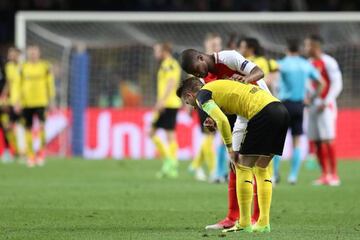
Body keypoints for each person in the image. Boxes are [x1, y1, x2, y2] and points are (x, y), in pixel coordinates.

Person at [177, 78, 289, 233]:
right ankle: (263, 223)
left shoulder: (202, 96)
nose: (194, 108)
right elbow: (231, 110)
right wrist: (215, 120)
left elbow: (223, 121)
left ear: (190, 95)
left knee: (242, 166)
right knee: (262, 168)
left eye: (189, 103)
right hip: (280, 110)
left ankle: (244, 223)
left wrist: (230, 149)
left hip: (262, 112)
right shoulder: (218, 87)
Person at [180, 48, 266, 229]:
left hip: (260, 107)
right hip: (240, 115)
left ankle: (257, 218)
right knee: (234, 165)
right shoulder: (205, 80)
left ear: (200, 57)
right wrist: (212, 121)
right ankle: (232, 217)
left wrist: (245, 80)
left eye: (196, 68)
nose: (198, 73)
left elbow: (259, 72)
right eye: (194, 73)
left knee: (257, 166)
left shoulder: (229, 57)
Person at [274, 39, 324, 184]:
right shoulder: (305, 64)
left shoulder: (282, 64)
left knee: (277, 142)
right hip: (299, 106)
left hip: (283, 105)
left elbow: (270, 79)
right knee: (296, 142)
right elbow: (321, 83)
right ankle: (293, 176)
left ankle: (275, 174)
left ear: (286, 50)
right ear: (299, 50)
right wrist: (311, 98)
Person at [304, 35, 343, 186]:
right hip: (312, 105)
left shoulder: (329, 62)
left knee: (328, 139)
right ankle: (324, 174)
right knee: (317, 141)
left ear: (315, 46)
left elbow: (337, 84)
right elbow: (308, 85)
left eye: (308, 45)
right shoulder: (308, 63)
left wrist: (327, 101)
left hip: (326, 106)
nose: (306, 48)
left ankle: (334, 175)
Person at [189, 32, 223, 182]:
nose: (217, 47)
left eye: (218, 44)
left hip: (217, 102)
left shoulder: (220, 61)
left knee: (211, 136)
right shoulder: (200, 63)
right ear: (207, 46)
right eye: (214, 45)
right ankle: (214, 170)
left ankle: (196, 165)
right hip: (204, 103)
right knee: (209, 135)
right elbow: (191, 82)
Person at [149, 42, 182, 178]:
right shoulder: (167, 64)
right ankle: (170, 164)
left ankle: (170, 163)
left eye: (157, 50)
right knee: (163, 134)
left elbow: (171, 83)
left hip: (168, 104)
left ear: (164, 51)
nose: (155, 53)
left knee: (158, 134)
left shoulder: (169, 64)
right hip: (169, 103)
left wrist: (161, 101)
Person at [20, 45, 55, 167]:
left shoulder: (45, 66)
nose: (33, 55)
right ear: (28, 54)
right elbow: (18, 85)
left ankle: (41, 154)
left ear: (39, 54)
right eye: (31, 53)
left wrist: (51, 99)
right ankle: (30, 156)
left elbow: (50, 83)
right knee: (28, 128)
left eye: (35, 52)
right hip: (26, 102)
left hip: (41, 102)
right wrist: (17, 100)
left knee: (42, 127)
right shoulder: (23, 67)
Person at [3, 47, 22, 160]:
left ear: (18, 55)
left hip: (22, 102)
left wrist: (20, 101)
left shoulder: (23, 67)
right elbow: (8, 83)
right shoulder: (8, 66)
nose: (10, 56)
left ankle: (23, 152)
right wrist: (3, 97)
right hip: (11, 101)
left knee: (22, 126)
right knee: (7, 125)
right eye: (9, 54)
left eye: (13, 54)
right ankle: (12, 151)